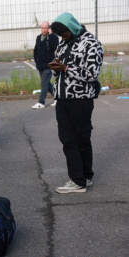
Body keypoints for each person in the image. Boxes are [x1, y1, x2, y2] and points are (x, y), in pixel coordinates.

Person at [49, 13, 103, 194]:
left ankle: (79, 181)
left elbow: (91, 74)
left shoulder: (91, 43)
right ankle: (83, 177)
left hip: (81, 99)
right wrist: (57, 67)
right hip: (62, 99)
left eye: (65, 34)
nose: (63, 38)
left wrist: (65, 68)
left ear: (72, 28)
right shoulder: (63, 43)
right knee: (68, 140)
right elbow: (60, 72)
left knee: (81, 139)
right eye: (60, 36)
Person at [32, 21, 59, 109]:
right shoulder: (38, 37)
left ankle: (41, 102)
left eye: (45, 28)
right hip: (40, 64)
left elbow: (55, 47)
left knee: (44, 84)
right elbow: (35, 49)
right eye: (42, 28)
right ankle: (58, 98)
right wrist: (36, 59)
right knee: (46, 84)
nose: (44, 30)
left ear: (49, 28)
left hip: (48, 64)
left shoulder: (53, 37)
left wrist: (50, 35)